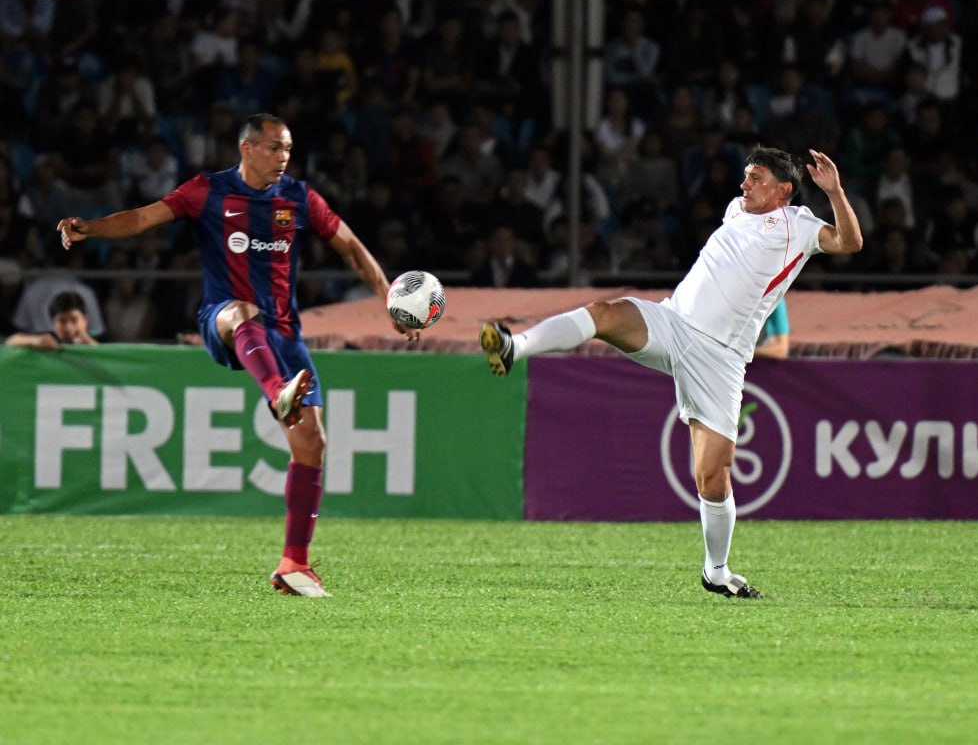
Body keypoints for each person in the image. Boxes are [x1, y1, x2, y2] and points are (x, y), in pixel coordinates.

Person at [480, 147, 863, 598]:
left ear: (783, 190)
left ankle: (717, 571)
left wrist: (835, 192)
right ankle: (515, 346)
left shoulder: (799, 225)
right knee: (605, 312)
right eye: (745, 176)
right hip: (673, 323)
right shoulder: (736, 209)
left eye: (756, 178)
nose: (744, 185)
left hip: (720, 358)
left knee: (712, 476)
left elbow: (850, 243)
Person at [56, 113, 413, 598]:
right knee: (243, 311)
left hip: (283, 333)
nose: (283, 157)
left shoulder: (299, 198)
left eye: (288, 149)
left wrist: (389, 296)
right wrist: (91, 229)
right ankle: (278, 392)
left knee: (312, 442)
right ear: (247, 148)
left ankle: (294, 565)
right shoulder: (208, 191)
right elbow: (142, 218)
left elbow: (350, 247)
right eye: (274, 147)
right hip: (224, 319)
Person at [5, 290, 99, 349]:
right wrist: (37, 341)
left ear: (85, 319)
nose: (69, 328)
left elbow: (106, 357)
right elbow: (11, 341)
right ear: (52, 322)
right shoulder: (49, 339)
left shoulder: (99, 339)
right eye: (62, 321)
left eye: (74, 320)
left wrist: (90, 343)